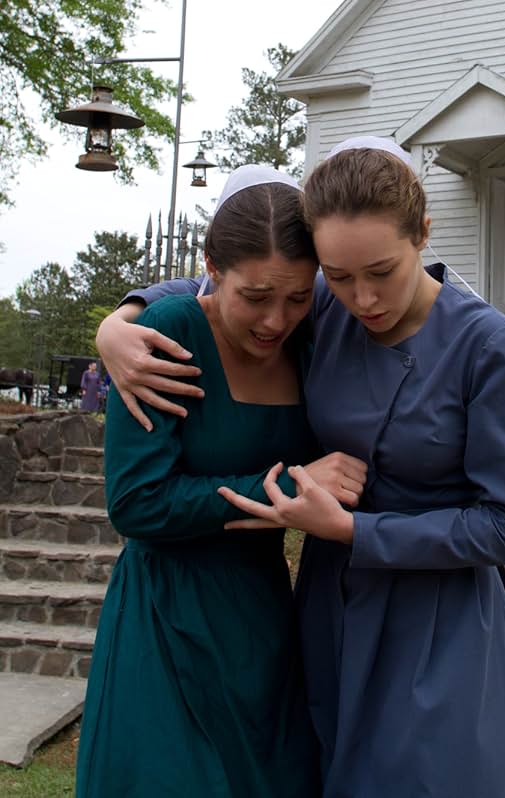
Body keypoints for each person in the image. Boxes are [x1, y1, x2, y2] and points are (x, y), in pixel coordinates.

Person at [98, 140, 505, 798]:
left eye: (381, 271)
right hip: (329, 614)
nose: (363, 298)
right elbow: (230, 284)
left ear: (423, 235)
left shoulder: (486, 345)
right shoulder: (323, 315)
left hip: (440, 621)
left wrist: (352, 531)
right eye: (337, 277)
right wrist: (121, 320)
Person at [77, 166, 366, 798]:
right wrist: (285, 490)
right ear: (210, 266)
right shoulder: (171, 332)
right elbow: (137, 503)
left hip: (262, 616)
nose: (275, 319)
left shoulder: (309, 342)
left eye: (296, 297)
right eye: (255, 296)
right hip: (165, 615)